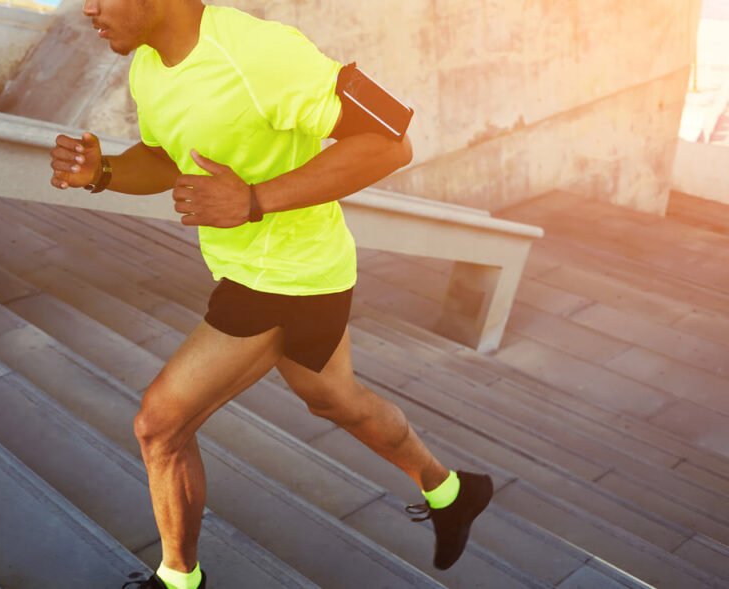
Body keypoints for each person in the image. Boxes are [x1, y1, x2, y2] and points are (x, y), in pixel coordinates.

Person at [50, 1, 494, 587]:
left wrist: (255, 199)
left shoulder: (261, 52)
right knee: (334, 398)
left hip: (286, 279)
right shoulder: (148, 65)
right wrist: (102, 172)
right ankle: (453, 491)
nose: (88, 7)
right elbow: (165, 156)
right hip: (259, 270)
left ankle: (179, 579)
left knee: (160, 424)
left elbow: (392, 142)